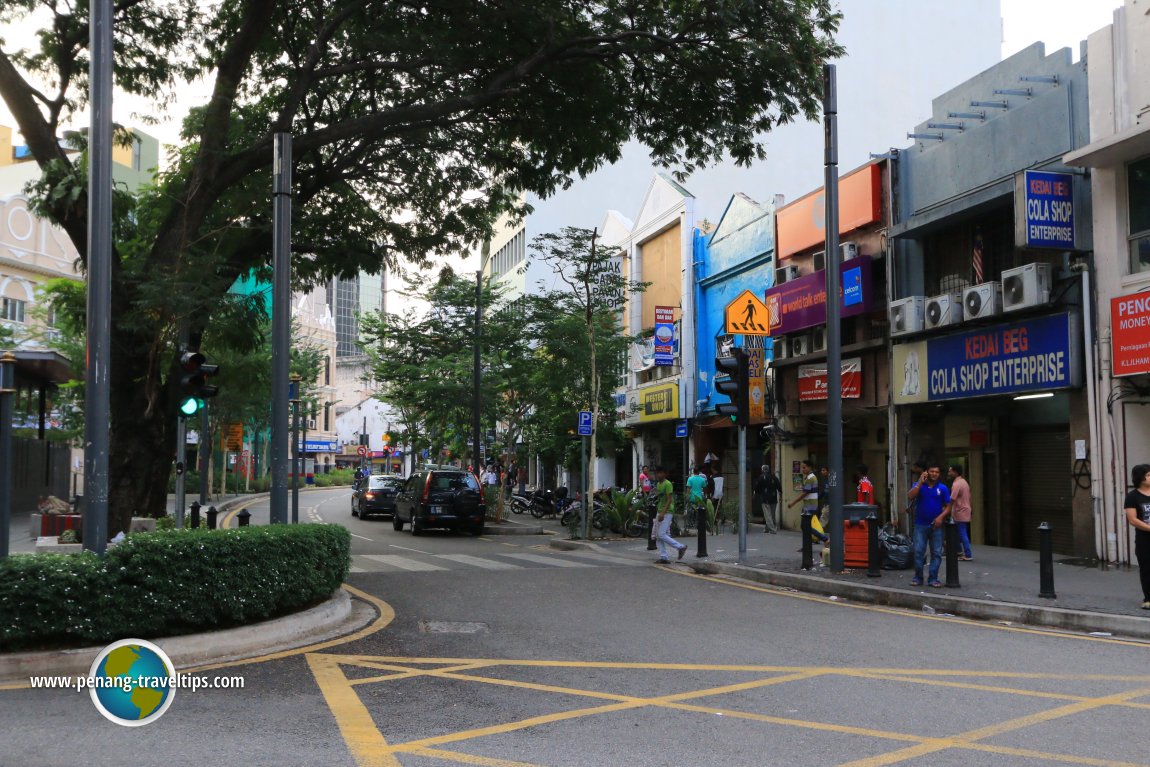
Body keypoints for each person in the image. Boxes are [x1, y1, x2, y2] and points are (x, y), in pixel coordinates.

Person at [906, 463, 952, 588]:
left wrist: (940, 517)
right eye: (932, 471)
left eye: (936, 472)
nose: (934, 474)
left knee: (936, 553)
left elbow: (948, 507)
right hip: (920, 525)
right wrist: (920, 482)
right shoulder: (918, 485)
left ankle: (933, 578)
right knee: (919, 551)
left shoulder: (942, 488)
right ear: (926, 472)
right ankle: (918, 577)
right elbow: (910, 496)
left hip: (936, 526)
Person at [1122, 463, 1150, 610]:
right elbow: (1133, 520)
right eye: (1149, 475)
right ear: (1140, 477)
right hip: (1144, 539)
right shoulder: (1132, 497)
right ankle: (1148, 599)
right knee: (1147, 568)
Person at [652, 465, 687, 563]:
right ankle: (664, 557)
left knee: (661, 534)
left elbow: (669, 499)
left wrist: (663, 513)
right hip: (660, 510)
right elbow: (660, 496)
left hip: (667, 512)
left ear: (665, 473)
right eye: (657, 472)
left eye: (661, 472)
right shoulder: (659, 484)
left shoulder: (667, 484)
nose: (659, 474)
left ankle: (681, 547)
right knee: (658, 536)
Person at [789, 460, 828, 545]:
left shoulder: (810, 478)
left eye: (804, 467)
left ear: (810, 467)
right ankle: (816, 541)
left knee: (805, 526)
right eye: (802, 468)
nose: (802, 470)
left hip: (810, 506)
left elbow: (804, 493)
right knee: (805, 526)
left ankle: (824, 539)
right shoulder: (810, 477)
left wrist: (793, 503)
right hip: (810, 505)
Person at [947, 464, 973, 560]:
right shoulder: (964, 482)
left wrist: (947, 509)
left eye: (950, 471)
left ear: (955, 472)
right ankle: (958, 551)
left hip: (960, 510)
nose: (949, 473)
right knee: (958, 531)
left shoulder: (957, 484)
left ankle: (967, 554)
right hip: (965, 509)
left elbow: (952, 498)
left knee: (962, 532)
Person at [755, 465, 782, 534]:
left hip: (765, 498)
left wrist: (757, 493)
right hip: (774, 498)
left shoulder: (761, 477)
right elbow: (779, 487)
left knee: (767, 515)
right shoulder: (774, 477)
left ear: (762, 470)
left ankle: (772, 529)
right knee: (771, 515)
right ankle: (767, 528)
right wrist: (780, 494)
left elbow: (757, 487)